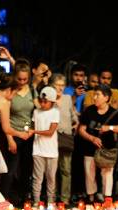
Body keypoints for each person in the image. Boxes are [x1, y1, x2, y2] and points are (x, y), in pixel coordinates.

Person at [78, 84, 118, 201]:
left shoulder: (115, 114)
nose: (94, 97)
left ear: (106, 98)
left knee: (107, 174)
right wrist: (92, 138)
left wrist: (110, 128)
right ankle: (90, 199)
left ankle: (107, 199)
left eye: (97, 95)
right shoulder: (89, 111)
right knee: (89, 173)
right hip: (90, 148)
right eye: (94, 95)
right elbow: (81, 130)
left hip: (107, 149)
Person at [0, 62, 35, 203]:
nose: (22, 82)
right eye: (19, 79)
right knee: (10, 169)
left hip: (29, 135)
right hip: (13, 133)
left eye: (25, 79)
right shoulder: (11, 91)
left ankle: (24, 199)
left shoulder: (32, 90)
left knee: (26, 169)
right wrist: (10, 139)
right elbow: (4, 118)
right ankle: (4, 199)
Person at [31, 86, 59, 203]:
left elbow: (50, 132)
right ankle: (36, 202)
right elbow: (32, 126)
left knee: (51, 178)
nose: (42, 103)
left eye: (45, 101)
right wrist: (29, 130)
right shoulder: (36, 112)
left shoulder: (55, 112)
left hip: (52, 152)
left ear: (52, 102)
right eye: (41, 101)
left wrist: (34, 131)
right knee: (37, 178)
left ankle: (50, 202)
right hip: (38, 150)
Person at [52, 73, 77, 203]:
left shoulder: (67, 98)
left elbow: (73, 115)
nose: (60, 88)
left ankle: (65, 198)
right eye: (57, 85)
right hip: (51, 138)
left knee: (66, 169)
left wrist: (75, 123)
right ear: (52, 85)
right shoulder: (49, 98)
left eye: (62, 85)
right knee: (52, 169)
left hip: (65, 137)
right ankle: (52, 196)